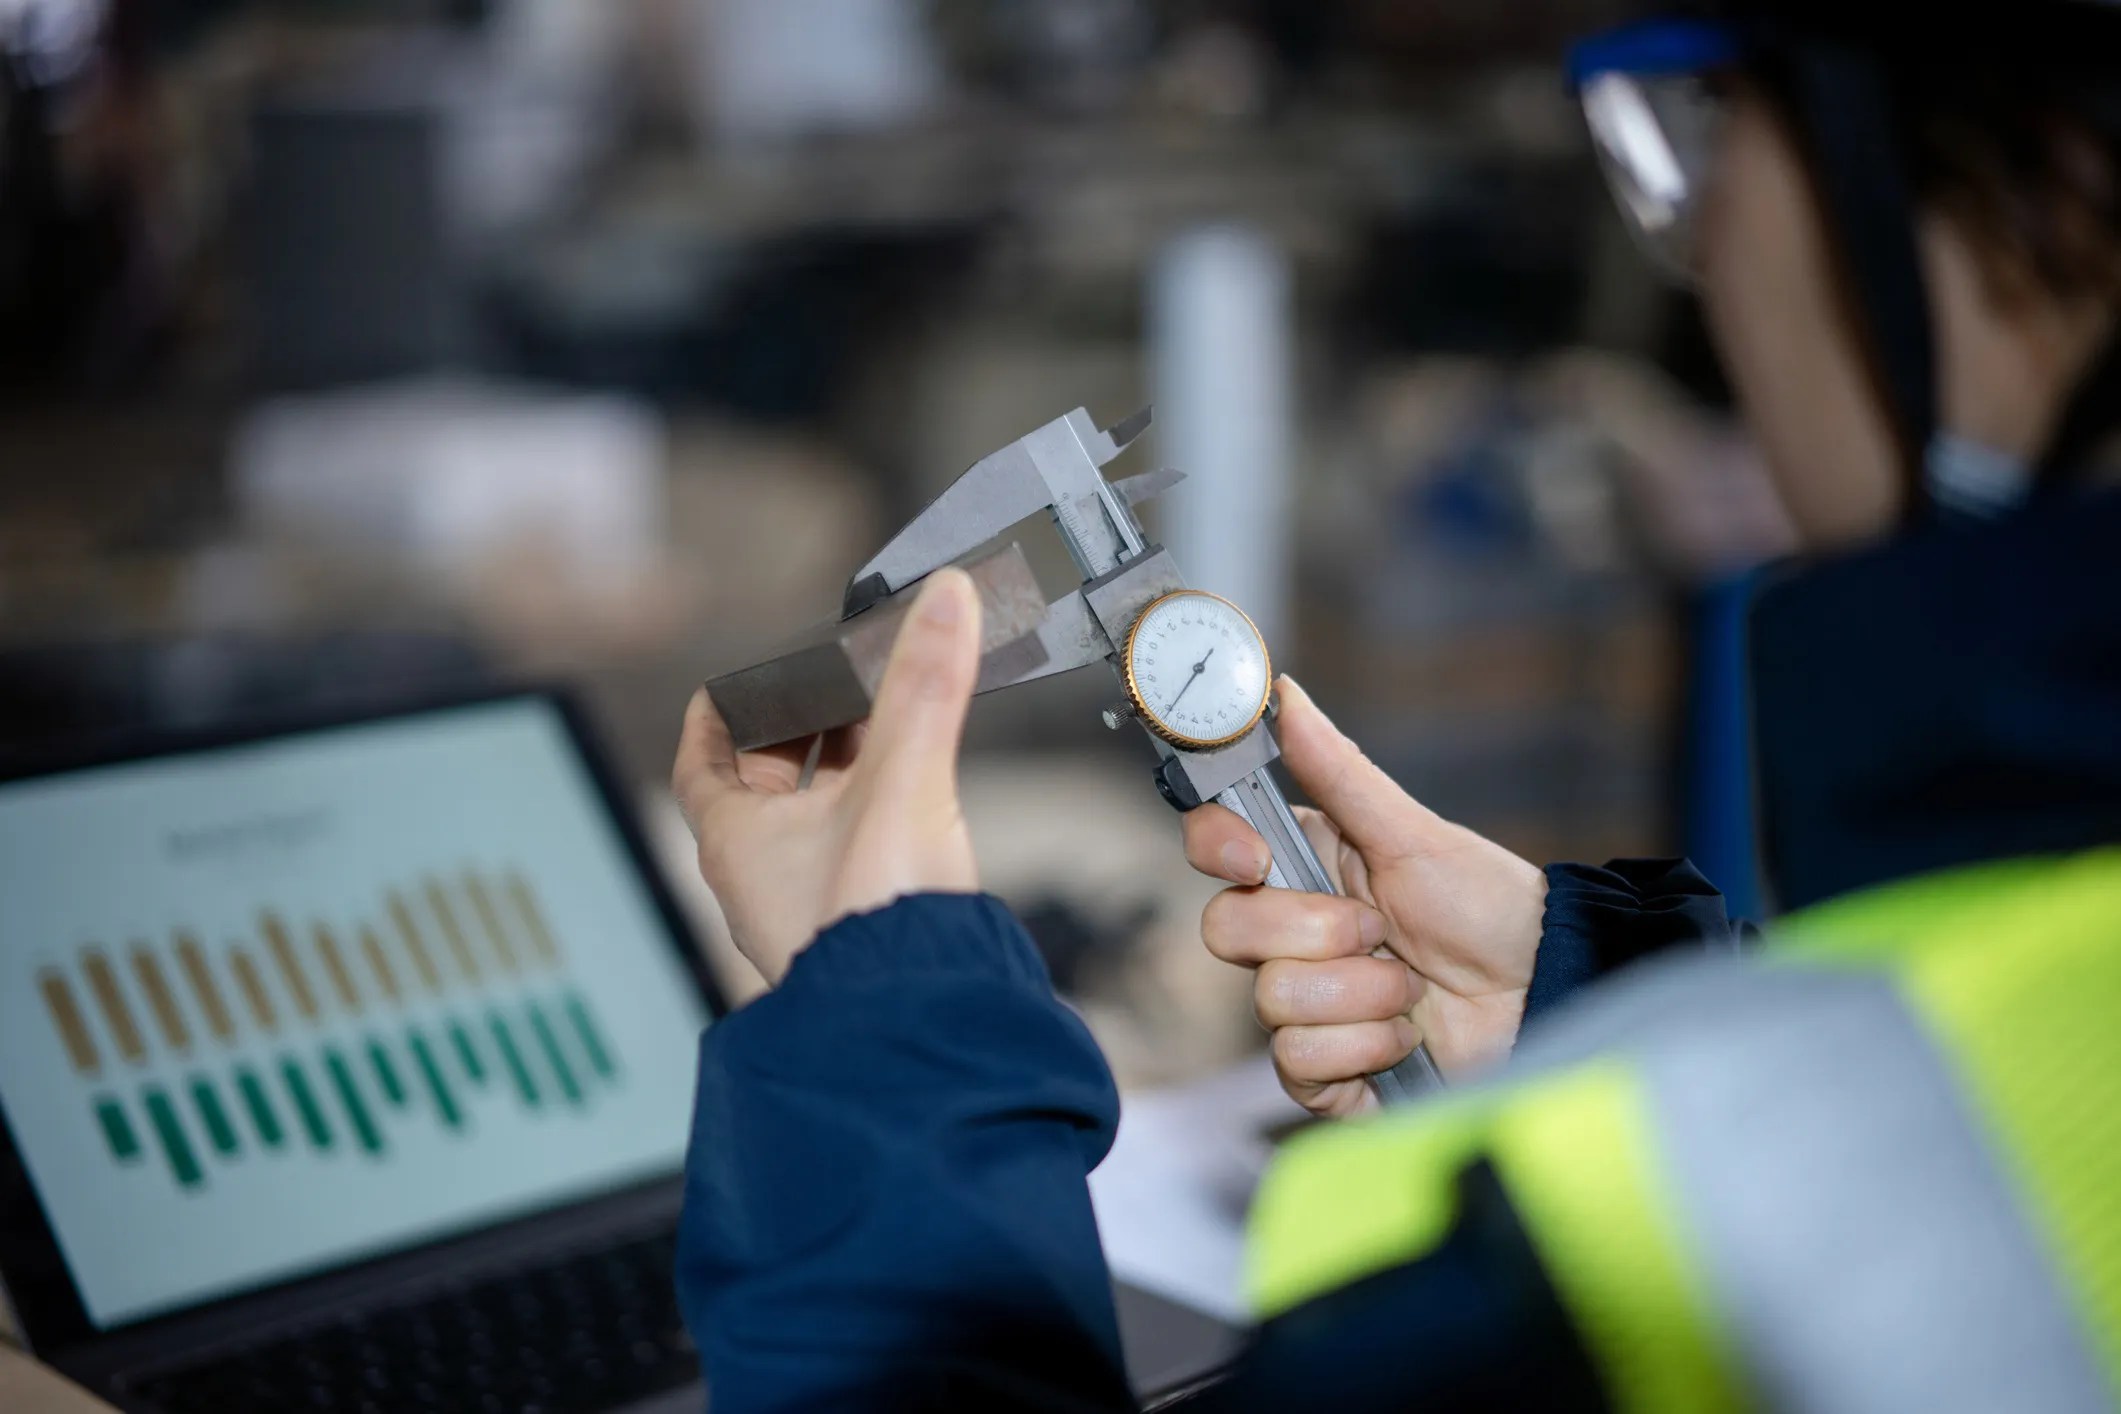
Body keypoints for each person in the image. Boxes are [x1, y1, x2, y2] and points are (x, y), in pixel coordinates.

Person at [668, 2, 2121, 1409]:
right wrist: (1580, 997)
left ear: (2048, 218)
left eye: (1707, 129)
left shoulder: (1632, 1255)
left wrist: (878, 1032)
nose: (1701, 256)